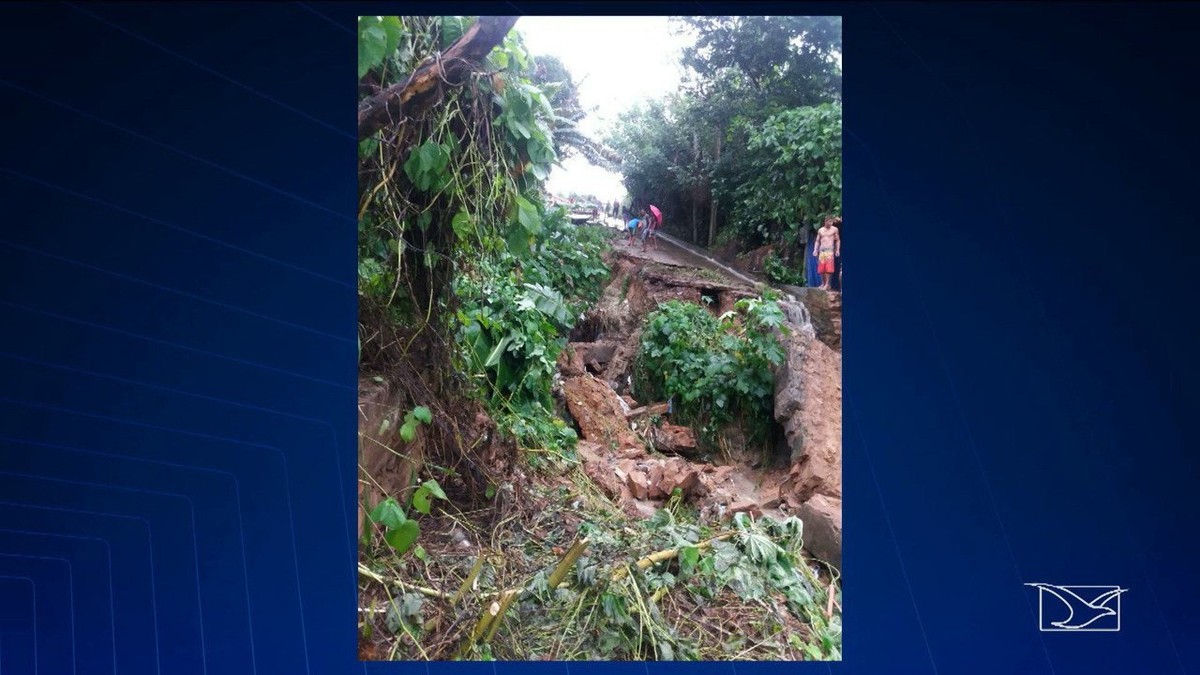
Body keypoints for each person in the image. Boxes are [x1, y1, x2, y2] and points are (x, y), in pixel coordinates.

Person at [812, 215, 841, 291]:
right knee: (821, 269)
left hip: (829, 251)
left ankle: (827, 284)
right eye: (829, 221)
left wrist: (837, 250)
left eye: (832, 222)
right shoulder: (820, 230)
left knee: (828, 268)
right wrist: (815, 250)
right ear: (825, 221)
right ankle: (823, 283)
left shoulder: (835, 229)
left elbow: (837, 240)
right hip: (822, 251)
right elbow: (817, 241)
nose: (831, 223)